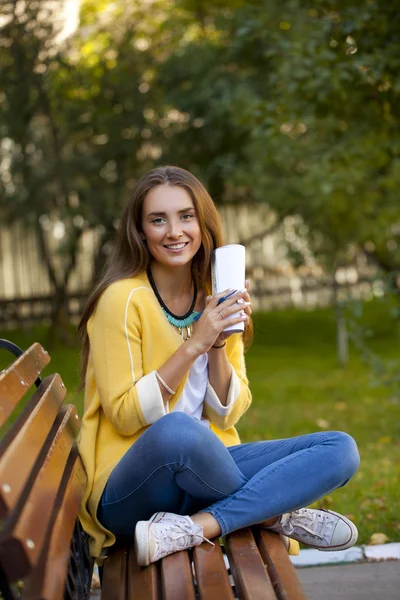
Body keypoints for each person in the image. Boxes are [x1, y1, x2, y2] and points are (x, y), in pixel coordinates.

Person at [77, 165, 360, 567]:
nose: (174, 231)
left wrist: (217, 347)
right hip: (129, 487)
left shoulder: (215, 294)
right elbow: (125, 416)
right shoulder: (121, 301)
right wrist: (195, 343)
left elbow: (228, 412)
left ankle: (200, 527)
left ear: (202, 223)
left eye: (185, 216)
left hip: (203, 475)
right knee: (178, 430)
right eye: (158, 220)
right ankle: (273, 512)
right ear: (140, 232)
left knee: (339, 449)